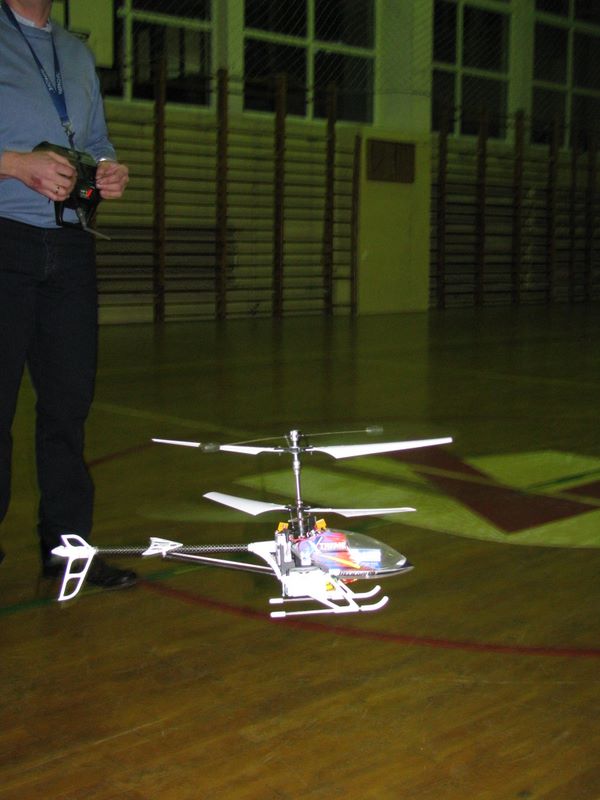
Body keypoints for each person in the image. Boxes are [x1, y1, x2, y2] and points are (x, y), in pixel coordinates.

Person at [0, 0, 136, 589]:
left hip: (70, 246)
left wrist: (109, 170)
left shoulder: (76, 53)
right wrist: (15, 165)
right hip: (4, 239)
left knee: (67, 408)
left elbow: (97, 140)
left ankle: (67, 552)